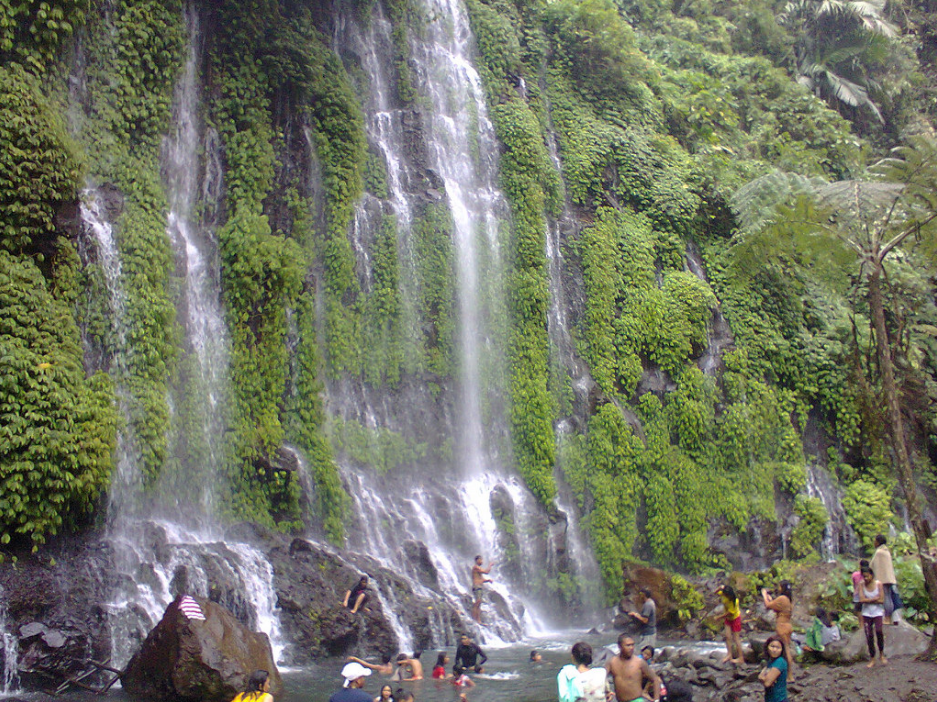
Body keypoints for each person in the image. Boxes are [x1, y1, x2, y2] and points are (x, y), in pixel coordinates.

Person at [605, 633, 661, 702]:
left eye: (632, 645)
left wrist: (656, 700)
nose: (631, 648)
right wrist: (607, 692)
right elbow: (601, 679)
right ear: (619, 646)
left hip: (636, 700)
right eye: (628, 645)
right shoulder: (612, 662)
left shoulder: (639, 662)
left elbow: (655, 679)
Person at [761, 581, 793, 680]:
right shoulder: (788, 599)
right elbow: (774, 606)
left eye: (779, 586)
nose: (778, 588)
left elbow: (768, 605)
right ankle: (787, 674)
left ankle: (789, 675)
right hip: (787, 625)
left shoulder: (782, 598)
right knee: (786, 649)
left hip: (782, 626)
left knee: (785, 650)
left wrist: (764, 594)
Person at [858, 565, 887, 667]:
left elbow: (882, 600)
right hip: (866, 613)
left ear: (872, 575)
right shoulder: (861, 584)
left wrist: (868, 600)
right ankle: (872, 658)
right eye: (864, 577)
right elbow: (861, 599)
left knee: (879, 631)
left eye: (867, 576)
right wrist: (874, 599)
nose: (866, 579)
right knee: (869, 635)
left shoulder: (878, 584)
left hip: (877, 612)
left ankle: (882, 654)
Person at [870, 534, 901, 624]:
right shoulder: (886, 551)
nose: (874, 543)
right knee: (890, 597)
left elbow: (872, 565)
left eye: (875, 541)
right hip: (889, 578)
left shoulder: (879, 552)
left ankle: (887, 618)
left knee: (886, 598)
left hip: (883, 579)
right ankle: (891, 617)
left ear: (878, 542)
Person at [717, 584, 744, 665]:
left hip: (735, 619)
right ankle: (729, 654)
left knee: (736, 639)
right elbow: (716, 593)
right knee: (728, 636)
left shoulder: (734, 601)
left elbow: (730, 613)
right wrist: (719, 587)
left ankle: (741, 658)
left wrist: (718, 617)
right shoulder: (724, 594)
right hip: (728, 620)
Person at [757, 635, 788, 702]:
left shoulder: (780, 661)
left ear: (782, 650)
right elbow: (760, 677)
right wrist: (763, 678)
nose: (774, 650)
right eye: (772, 646)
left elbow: (767, 683)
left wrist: (764, 678)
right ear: (767, 647)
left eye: (778, 648)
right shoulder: (770, 661)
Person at [471, 555, 495, 623]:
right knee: (478, 602)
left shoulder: (478, 569)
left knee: (479, 603)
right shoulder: (476, 567)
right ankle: (473, 618)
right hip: (477, 586)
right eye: (480, 560)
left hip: (479, 586)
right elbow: (486, 572)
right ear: (477, 560)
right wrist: (490, 565)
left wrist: (488, 580)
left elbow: (481, 579)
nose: (482, 561)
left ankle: (478, 620)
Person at [851, 559, 869, 627]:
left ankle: (861, 626)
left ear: (860, 566)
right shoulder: (869, 574)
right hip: (867, 595)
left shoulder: (855, 574)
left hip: (857, 595)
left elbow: (854, 585)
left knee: (859, 611)